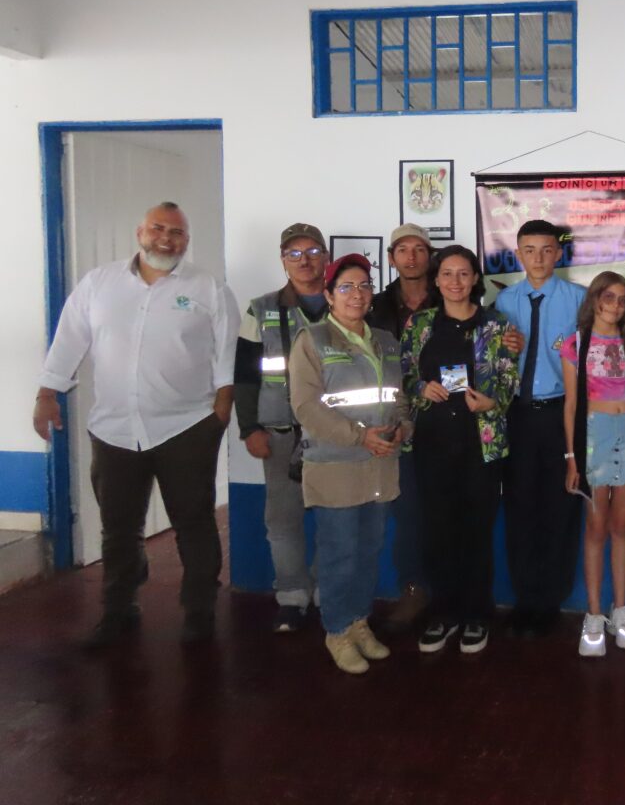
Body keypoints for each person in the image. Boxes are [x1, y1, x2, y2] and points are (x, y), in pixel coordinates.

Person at [33, 202, 238, 646]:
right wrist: (47, 394)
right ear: (140, 231)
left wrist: (219, 414)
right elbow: (69, 340)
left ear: (187, 240)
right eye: (158, 229)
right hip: (114, 430)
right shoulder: (99, 284)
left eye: (177, 232)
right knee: (118, 527)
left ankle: (199, 610)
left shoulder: (207, 288)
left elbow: (226, 356)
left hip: (185, 427)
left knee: (194, 523)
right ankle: (118, 608)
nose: (167, 238)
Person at [288, 254, 411, 674]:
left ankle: (358, 622)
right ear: (328, 295)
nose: (356, 295)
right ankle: (336, 631)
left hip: (379, 466)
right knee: (339, 553)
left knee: (368, 551)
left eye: (363, 286)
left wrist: (403, 427)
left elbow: (397, 397)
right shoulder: (313, 340)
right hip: (336, 467)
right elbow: (306, 407)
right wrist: (361, 436)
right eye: (345, 288)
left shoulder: (385, 341)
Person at [403, 245, 520, 656]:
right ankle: (443, 613)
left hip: (480, 445)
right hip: (433, 443)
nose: (455, 282)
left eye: (464, 274)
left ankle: (476, 616)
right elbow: (403, 375)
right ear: (436, 280)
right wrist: (420, 388)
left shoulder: (497, 325)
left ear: (475, 280)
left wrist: (494, 402)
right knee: (438, 533)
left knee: (476, 532)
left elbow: (508, 379)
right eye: (447, 274)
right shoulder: (419, 325)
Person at [234, 222, 330, 634]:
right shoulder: (261, 308)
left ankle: (329, 593)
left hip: (334, 433)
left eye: (312, 252)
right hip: (278, 432)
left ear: (326, 257)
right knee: (283, 520)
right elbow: (243, 373)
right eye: (294, 254)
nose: (304, 261)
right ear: (283, 260)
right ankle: (292, 596)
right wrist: (248, 427)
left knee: (335, 519)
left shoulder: (348, 299)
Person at [494, 220, 587, 637]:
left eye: (547, 250)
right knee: (519, 508)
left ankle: (551, 598)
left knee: (560, 508)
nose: (538, 258)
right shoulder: (501, 302)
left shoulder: (579, 301)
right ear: (518, 255)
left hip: (560, 415)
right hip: (516, 416)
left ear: (558, 253)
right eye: (529, 250)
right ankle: (525, 597)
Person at [561, 271, 625, 657]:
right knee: (596, 526)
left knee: (621, 525)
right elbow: (570, 404)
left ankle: (620, 610)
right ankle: (594, 613)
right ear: (595, 300)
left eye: (622, 299)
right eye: (608, 297)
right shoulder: (576, 343)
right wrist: (571, 458)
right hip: (594, 435)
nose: (616, 305)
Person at [368, 223, 433, 634]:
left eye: (419, 249)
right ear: (391, 257)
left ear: (430, 255)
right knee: (406, 510)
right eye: (402, 250)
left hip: (444, 419)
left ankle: (446, 591)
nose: (411, 257)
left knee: (445, 510)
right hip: (394, 421)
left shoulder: (451, 297)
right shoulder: (374, 306)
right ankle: (412, 589)